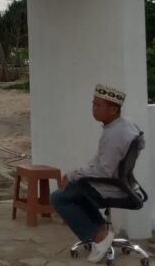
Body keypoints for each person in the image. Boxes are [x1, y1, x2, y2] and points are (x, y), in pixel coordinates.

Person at [50, 84, 144, 264]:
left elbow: (104, 171)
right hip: (125, 183)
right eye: (93, 104)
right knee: (75, 187)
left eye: (98, 105)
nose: (93, 109)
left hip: (112, 187)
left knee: (59, 197)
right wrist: (78, 174)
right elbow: (140, 144)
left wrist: (72, 174)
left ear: (113, 109)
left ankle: (98, 237)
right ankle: (102, 230)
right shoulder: (126, 124)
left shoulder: (114, 135)